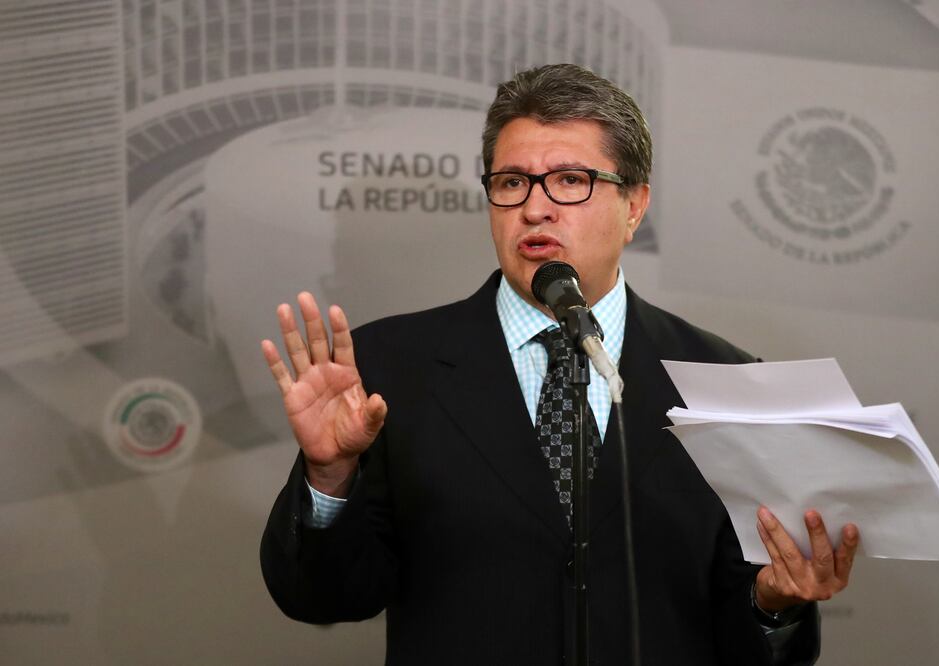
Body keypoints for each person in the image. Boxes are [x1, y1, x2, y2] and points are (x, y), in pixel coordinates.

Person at [259, 63, 859, 665]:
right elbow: (325, 597)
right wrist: (329, 477)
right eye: (512, 181)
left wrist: (773, 603)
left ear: (634, 205)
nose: (535, 208)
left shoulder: (722, 379)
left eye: (570, 180)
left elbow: (746, 633)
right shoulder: (389, 368)